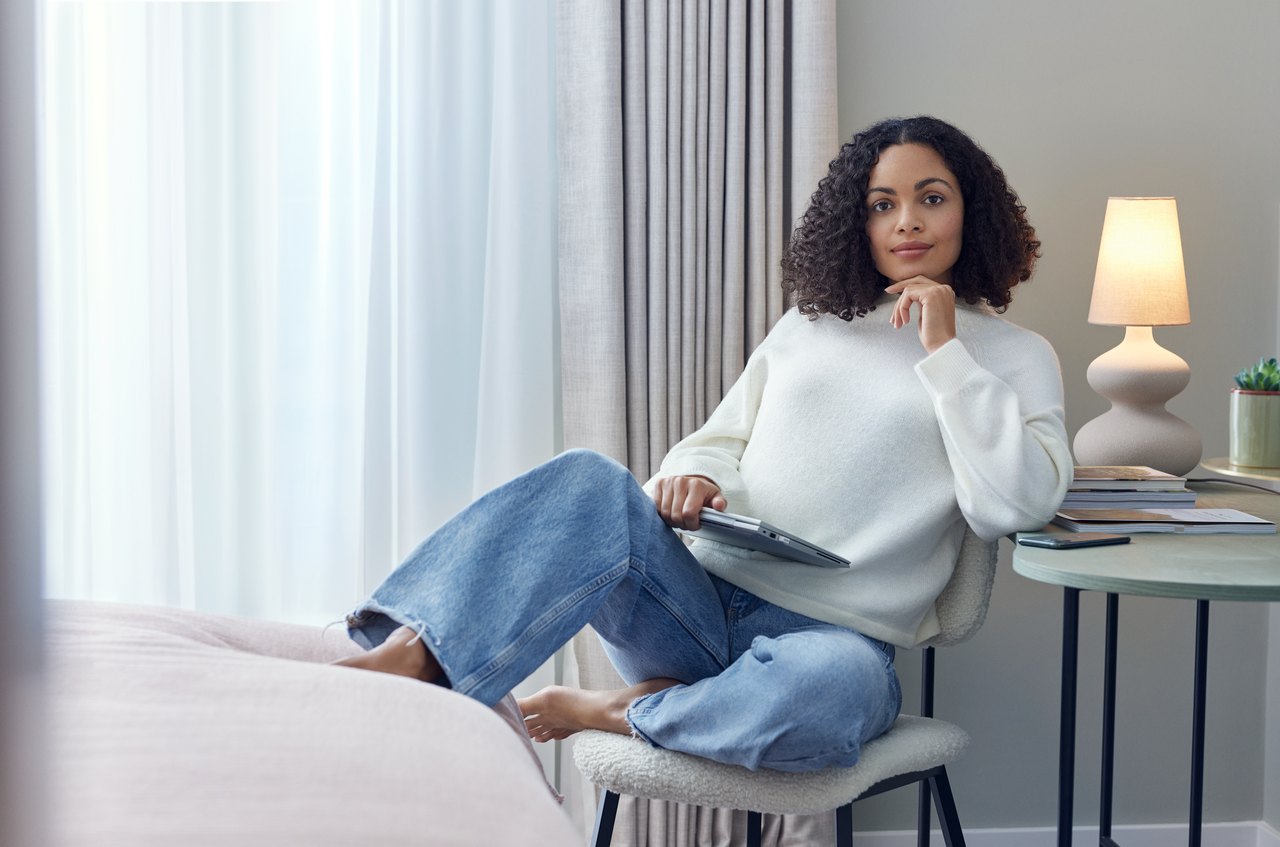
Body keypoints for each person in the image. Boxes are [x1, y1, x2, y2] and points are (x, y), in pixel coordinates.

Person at [335, 116, 1073, 773]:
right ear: (860, 222)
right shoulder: (811, 326)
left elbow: (1013, 504)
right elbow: (715, 440)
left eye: (931, 197)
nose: (906, 221)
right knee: (589, 477)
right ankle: (415, 654)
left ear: (971, 212)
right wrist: (692, 475)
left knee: (835, 696)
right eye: (883, 204)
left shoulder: (1014, 356)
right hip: (693, 605)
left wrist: (944, 350)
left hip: (828, 644)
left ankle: (620, 710)